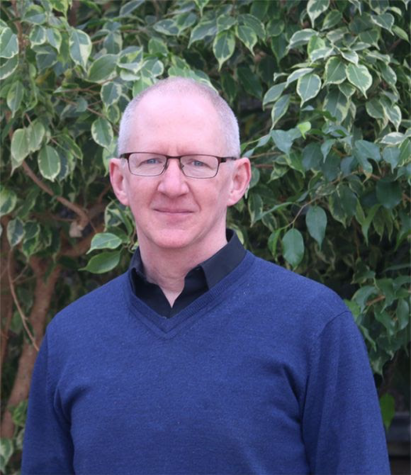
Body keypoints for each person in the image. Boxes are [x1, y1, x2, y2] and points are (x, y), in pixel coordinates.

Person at [22, 77, 390, 474]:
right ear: (119, 180)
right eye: (150, 160)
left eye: (197, 162)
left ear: (237, 180)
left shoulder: (314, 325)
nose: (173, 185)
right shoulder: (71, 336)